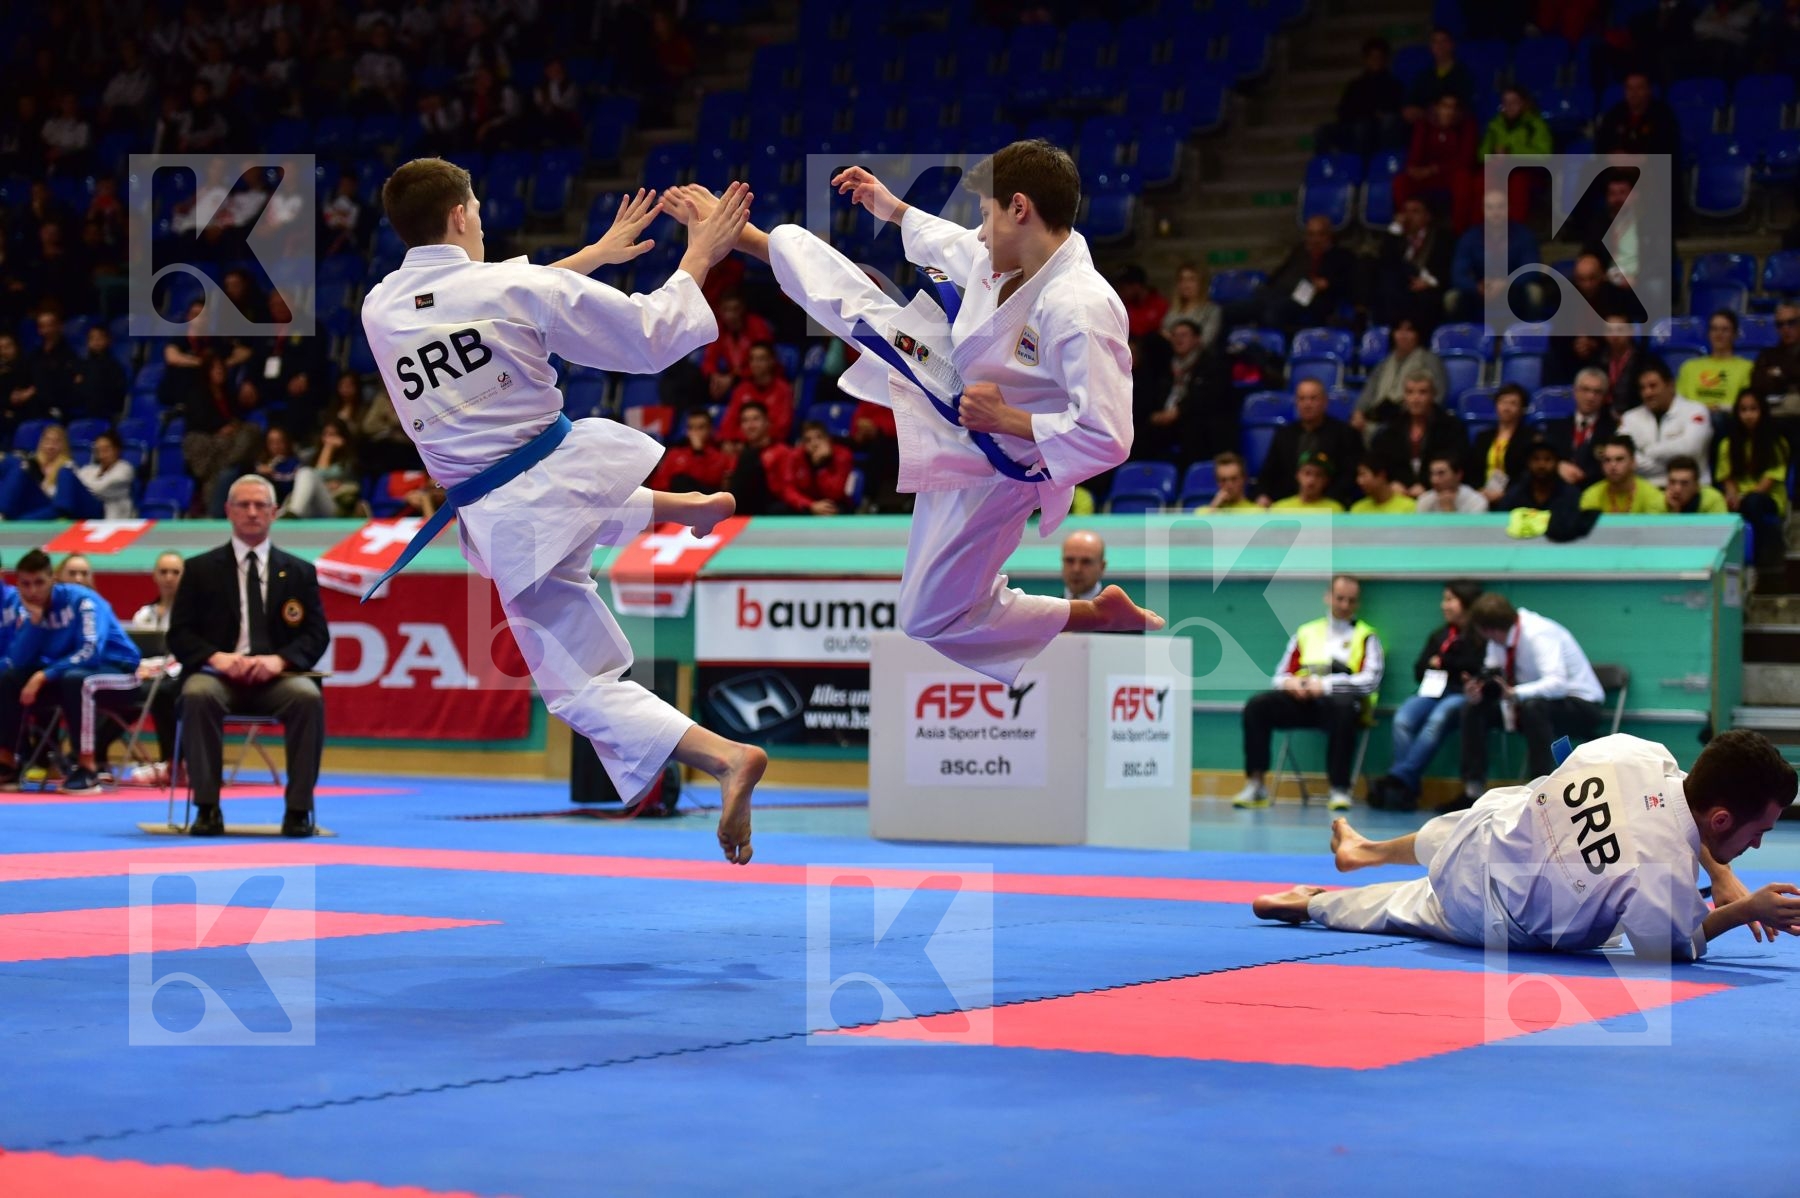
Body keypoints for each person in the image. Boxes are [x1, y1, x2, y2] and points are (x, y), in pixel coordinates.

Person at [360, 162, 767, 863]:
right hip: (555, 475)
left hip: (512, 512)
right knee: (575, 514)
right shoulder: (515, 287)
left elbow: (485, 301)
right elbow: (647, 334)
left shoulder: (378, 306)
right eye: (479, 209)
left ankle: (725, 756)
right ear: (460, 216)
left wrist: (591, 261)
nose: (482, 220)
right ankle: (685, 506)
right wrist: (700, 254)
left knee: (581, 690)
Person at [665, 142, 1164, 689]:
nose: (977, 231)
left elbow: (1109, 438)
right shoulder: (1007, 255)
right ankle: (745, 237)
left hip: (1003, 468)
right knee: (862, 315)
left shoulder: (1081, 307)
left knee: (926, 617)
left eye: (985, 214)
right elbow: (949, 242)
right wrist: (893, 209)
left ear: (1019, 208)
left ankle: (1091, 615)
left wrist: (1008, 419)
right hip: (959, 396)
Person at [1252, 731, 1800, 960]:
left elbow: (1676, 804)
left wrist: (1721, 873)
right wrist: (1744, 906)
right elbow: (1675, 947)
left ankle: (1366, 852)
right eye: (1760, 831)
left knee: (1513, 806)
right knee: (1402, 908)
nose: (1759, 843)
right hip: (1489, 911)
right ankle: (1312, 901)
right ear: (1725, 818)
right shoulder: (1663, 874)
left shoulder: (1638, 751)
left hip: (1483, 830)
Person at [166, 476, 327, 834]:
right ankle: (207, 807)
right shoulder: (199, 569)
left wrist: (279, 661)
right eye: (243, 505)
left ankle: (298, 810)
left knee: (307, 698)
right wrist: (216, 657)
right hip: (217, 677)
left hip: (277, 679)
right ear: (228, 511)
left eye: (260, 506)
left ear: (274, 513)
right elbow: (179, 634)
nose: (252, 513)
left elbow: (317, 635)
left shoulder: (300, 571)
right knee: (196, 695)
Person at [1233, 576, 1384, 813]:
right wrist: (1293, 684)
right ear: (1328, 597)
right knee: (1257, 706)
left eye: (1351, 601)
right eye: (1340, 598)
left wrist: (1324, 686)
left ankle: (1339, 788)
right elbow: (1279, 676)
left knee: (1344, 708)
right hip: (1302, 703)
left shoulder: (1367, 636)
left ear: (1357, 604)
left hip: (1340, 707)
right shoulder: (1306, 632)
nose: (1344, 605)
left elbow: (1370, 682)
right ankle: (1256, 784)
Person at [0, 548, 141, 793]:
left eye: (39, 583)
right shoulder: (32, 611)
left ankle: (87, 768)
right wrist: (34, 623)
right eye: (25, 584)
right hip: (69, 675)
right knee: (10, 679)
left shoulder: (83, 601)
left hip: (119, 672)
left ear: (52, 580)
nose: (33, 591)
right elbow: (18, 661)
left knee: (76, 680)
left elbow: (90, 651)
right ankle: (7, 763)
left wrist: (44, 675)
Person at [1456, 592, 1605, 805]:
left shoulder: (1539, 634)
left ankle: (1541, 788)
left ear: (1487, 629)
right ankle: (1473, 789)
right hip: (1529, 705)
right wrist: (1478, 691)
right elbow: (1494, 678)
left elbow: (1557, 685)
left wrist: (1514, 693)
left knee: (1533, 707)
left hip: (1581, 705)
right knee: (1472, 709)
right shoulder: (1497, 640)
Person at [1370, 579, 1485, 810]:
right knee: (1403, 718)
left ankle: (1399, 779)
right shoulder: (1440, 635)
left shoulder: (1480, 637)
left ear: (1466, 603)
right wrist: (1446, 665)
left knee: (1437, 719)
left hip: (1461, 695)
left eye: (1450, 600)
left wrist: (1444, 663)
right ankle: (1407, 787)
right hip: (1433, 691)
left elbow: (1474, 667)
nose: (1444, 606)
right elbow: (1419, 669)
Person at [1256, 379, 1362, 509]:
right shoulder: (1284, 434)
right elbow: (1268, 471)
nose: (1307, 404)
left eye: (1313, 398)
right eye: (1302, 399)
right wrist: (1263, 494)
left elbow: (1350, 474)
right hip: (1289, 505)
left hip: (1332, 505)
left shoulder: (1345, 433)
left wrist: (1328, 500)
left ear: (1325, 402)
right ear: (1296, 403)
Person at [1716, 389, 1789, 570]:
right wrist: (1733, 495)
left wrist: (1744, 498)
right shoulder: (1727, 444)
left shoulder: (1777, 443)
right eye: (1743, 410)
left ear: (1762, 411)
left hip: (1768, 498)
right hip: (1740, 498)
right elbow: (1727, 478)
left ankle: (1760, 562)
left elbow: (1769, 481)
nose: (1748, 415)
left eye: (1753, 409)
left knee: (1754, 502)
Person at [1370, 370, 1469, 495]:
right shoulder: (1391, 429)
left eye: (1422, 392)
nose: (1415, 399)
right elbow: (1378, 463)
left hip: (1440, 494)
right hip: (1399, 496)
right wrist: (1391, 483)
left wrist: (1428, 486)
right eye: (1410, 392)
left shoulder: (1452, 427)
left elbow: (1457, 464)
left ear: (1433, 395)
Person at [1619, 359, 1712, 486]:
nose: (1647, 393)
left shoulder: (1695, 410)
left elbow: (1691, 449)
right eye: (1643, 388)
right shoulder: (1630, 417)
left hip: (1692, 490)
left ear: (1671, 385)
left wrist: (1648, 451)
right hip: (1646, 492)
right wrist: (1671, 467)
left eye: (1653, 386)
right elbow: (1621, 456)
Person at [1355, 318, 1446, 435]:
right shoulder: (1384, 363)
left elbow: (1439, 395)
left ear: (1417, 335)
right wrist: (1358, 412)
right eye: (1399, 330)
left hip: (1412, 418)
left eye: (1409, 331)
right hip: (1379, 416)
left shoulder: (1430, 361)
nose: (1403, 335)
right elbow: (1368, 392)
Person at [1374, 196, 1454, 330]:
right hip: (1400, 286)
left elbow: (1447, 267)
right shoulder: (1397, 237)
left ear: (1427, 216)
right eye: (1406, 211)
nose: (1408, 216)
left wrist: (1429, 281)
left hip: (1428, 287)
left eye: (1415, 211)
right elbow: (1385, 261)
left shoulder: (1442, 238)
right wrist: (1395, 230)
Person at [1318, 37, 1406, 157]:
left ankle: (1363, 168)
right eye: (1372, 57)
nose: (1375, 60)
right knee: (1324, 130)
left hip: (1376, 130)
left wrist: (1371, 115)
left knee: (1363, 128)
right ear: (1366, 59)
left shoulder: (1394, 85)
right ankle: (1326, 169)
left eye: (1379, 57)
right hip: (1354, 125)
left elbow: (1393, 111)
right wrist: (1366, 113)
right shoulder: (1355, 85)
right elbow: (1343, 111)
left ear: (1385, 59)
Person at [1548, 367, 1618, 488]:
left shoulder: (1613, 429)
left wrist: (1581, 476)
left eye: (1597, 392)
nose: (1591, 397)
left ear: (1604, 397)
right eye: (1585, 390)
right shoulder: (1555, 427)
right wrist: (1557, 466)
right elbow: (1544, 458)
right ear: (1575, 392)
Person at [717, 341, 794, 448]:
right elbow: (728, 423)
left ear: (771, 361)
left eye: (761, 359)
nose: (755, 363)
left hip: (770, 445)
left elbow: (782, 427)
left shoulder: (783, 389)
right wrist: (731, 441)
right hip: (742, 445)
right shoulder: (741, 389)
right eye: (752, 359)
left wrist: (754, 441)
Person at [1676, 310, 1755, 412]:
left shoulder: (1747, 367)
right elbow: (1679, 403)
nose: (1719, 334)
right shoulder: (1689, 366)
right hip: (1693, 419)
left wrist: (1720, 408)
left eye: (1725, 329)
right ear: (1708, 334)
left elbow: (1746, 406)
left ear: (1734, 334)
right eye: (1714, 329)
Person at [1467, 383, 1533, 503]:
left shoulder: (1529, 437)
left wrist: (1506, 494)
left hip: (1515, 497)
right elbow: (1472, 469)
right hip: (1481, 495)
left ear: (1522, 409)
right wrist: (1479, 490)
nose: (1506, 407)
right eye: (1502, 402)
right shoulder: (1483, 437)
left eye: (1513, 403)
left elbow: (1526, 474)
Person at [775, 420, 855, 515]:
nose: (814, 444)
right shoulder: (794, 456)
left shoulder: (842, 455)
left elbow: (836, 493)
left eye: (819, 437)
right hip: (808, 502)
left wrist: (821, 466)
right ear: (803, 444)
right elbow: (788, 490)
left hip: (833, 503)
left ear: (828, 439)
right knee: (778, 509)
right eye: (808, 440)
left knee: (832, 510)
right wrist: (811, 505)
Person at [650, 408, 733, 493]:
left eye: (701, 428)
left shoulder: (720, 458)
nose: (695, 432)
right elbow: (659, 485)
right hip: (676, 502)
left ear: (710, 430)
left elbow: (709, 483)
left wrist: (698, 453)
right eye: (691, 428)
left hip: (706, 501)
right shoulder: (674, 454)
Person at [1580, 435, 1668, 513]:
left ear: (1633, 463)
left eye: (1619, 459)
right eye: (1607, 460)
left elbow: (1653, 530)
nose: (1612, 465)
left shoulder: (1653, 496)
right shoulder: (1591, 495)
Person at [1494, 435, 1580, 513]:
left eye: (1547, 459)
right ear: (1528, 463)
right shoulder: (1515, 495)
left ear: (1557, 463)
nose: (1541, 465)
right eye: (1536, 459)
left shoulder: (1570, 495)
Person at [1750, 302, 1800, 414]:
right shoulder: (1768, 354)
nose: (1786, 328)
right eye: (1780, 324)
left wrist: (1778, 374)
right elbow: (1757, 384)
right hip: (1772, 409)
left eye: (1791, 323)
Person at [76, 431, 136, 519]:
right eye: (98, 450)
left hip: (110, 516)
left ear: (116, 450)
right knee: (66, 472)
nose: (102, 455)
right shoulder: (88, 470)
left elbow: (102, 488)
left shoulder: (124, 469)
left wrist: (81, 489)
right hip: (88, 514)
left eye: (106, 450)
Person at [1159, 263, 1220, 348]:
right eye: (1181, 280)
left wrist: (1174, 340)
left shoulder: (1211, 310)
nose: (1185, 285)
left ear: (1201, 283)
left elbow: (1206, 340)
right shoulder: (1173, 310)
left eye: (1191, 280)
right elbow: (1163, 333)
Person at [1271, 452, 1346, 513]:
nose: (1312, 479)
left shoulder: (1336, 509)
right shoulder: (1279, 508)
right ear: (1298, 475)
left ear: (1326, 480)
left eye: (1318, 475)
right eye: (1307, 473)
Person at [1415, 453, 1488, 512]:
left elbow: (1473, 530)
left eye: (1441, 473)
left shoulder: (1477, 502)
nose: (1434, 480)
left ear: (1458, 475)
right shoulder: (1424, 500)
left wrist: (1449, 512)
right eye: (1432, 474)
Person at [1350, 453, 1416, 513]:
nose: (1359, 481)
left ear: (1381, 475)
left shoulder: (1409, 507)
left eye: (1363, 475)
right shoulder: (1357, 509)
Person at [1662, 455, 1728, 515]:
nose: (1677, 489)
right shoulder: (1659, 502)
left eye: (1684, 483)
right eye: (1672, 482)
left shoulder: (1713, 499)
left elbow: (1719, 527)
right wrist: (1674, 511)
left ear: (1697, 486)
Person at [1060, 530, 1107, 600]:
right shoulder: (1048, 609)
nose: (1076, 569)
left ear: (1102, 567)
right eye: (1070, 560)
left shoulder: (1118, 610)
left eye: (1086, 562)